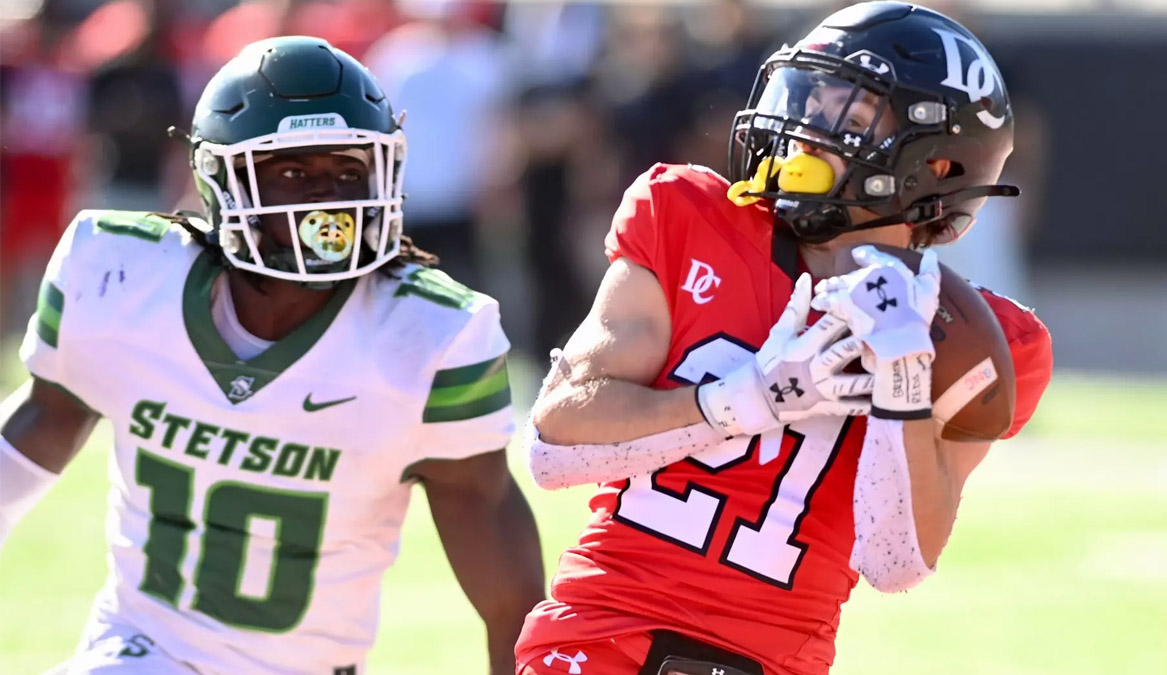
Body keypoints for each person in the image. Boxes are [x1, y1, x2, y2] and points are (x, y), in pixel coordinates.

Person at [516, 3, 1053, 675]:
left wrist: (903, 380)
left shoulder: (984, 343)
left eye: (848, 118)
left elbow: (894, 561)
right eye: (808, 99)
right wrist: (745, 399)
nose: (804, 132)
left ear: (937, 166)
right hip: (604, 636)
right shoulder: (690, 215)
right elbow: (554, 448)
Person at [0, 36, 543, 674]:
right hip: (140, 651)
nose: (329, 201)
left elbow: (512, 603)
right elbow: (40, 425)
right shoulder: (118, 274)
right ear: (222, 181)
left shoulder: (430, 335)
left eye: (348, 172)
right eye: (294, 173)